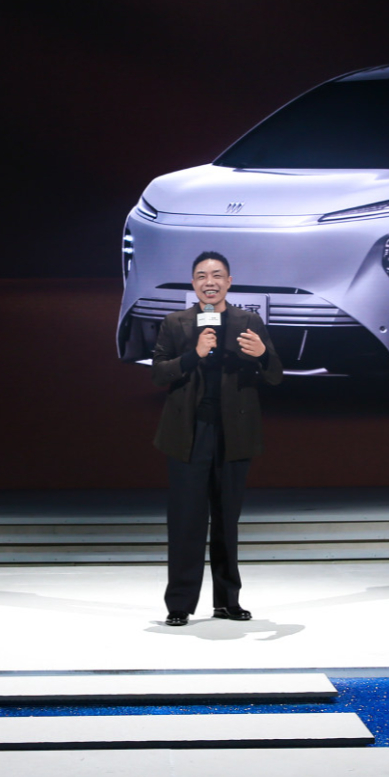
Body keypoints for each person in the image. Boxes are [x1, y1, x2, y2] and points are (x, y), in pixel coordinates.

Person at [151, 251, 283, 626]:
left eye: (217, 275)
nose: (209, 282)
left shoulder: (248, 321)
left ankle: (227, 601)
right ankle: (179, 604)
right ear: (193, 283)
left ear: (229, 282)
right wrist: (193, 355)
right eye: (201, 276)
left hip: (234, 433)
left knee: (227, 520)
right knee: (186, 520)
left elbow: (275, 374)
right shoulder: (175, 323)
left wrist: (262, 356)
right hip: (188, 433)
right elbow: (158, 373)